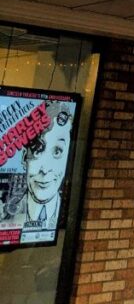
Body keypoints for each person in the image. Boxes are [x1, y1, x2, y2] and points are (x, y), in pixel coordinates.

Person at [10, 101, 74, 238]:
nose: (45, 169)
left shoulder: (70, 215)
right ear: (24, 158)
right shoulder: (7, 216)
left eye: (57, 152)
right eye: (37, 151)